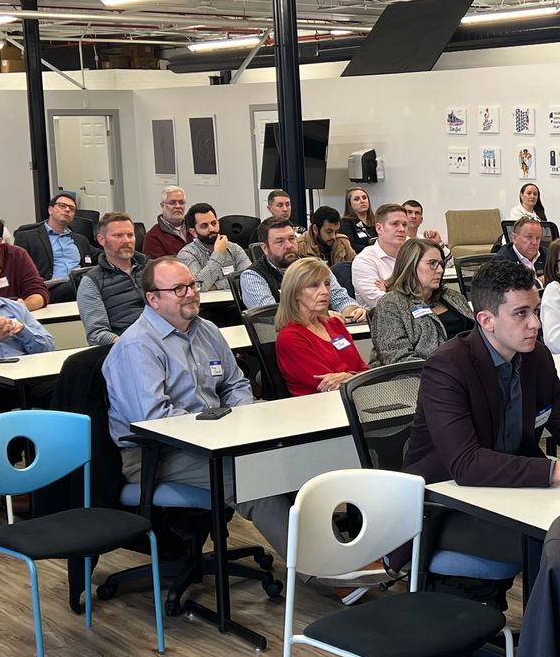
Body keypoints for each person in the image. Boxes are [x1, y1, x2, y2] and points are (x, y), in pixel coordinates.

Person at [104, 258, 290, 555]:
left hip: (218, 438)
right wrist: (219, 431)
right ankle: (331, 575)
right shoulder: (137, 346)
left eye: (192, 285)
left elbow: (235, 383)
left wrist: (239, 419)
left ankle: (345, 556)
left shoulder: (206, 330)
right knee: (254, 479)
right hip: (156, 454)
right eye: (179, 289)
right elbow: (154, 421)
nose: (191, 293)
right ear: (153, 299)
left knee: (291, 460)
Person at [403, 258, 560, 491]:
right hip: (447, 495)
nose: (536, 323)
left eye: (535, 311)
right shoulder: (447, 367)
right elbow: (466, 463)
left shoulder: (536, 355)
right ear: (486, 320)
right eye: (521, 313)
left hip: (517, 486)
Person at [272, 257, 370, 396]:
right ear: (295, 292)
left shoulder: (335, 324)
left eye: (327, 284)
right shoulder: (290, 337)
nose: (324, 291)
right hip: (319, 407)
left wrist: (348, 377)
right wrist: (353, 376)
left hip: (357, 397)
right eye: (314, 285)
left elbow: (364, 369)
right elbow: (325, 384)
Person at [369, 238, 473, 365]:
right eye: (432, 263)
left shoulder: (453, 296)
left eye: (441, 264)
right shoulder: (391, 303)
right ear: (410, 265)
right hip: (423, 377)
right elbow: (397, 358)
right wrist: (448, 371)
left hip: (470, 369)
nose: (440, 270)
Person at [238, 218, 364, 319]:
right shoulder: (253, 276)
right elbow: (270, 315)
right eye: (280, 241)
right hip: (282, 342)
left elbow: (339, 298)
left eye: (292, 239)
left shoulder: (314, 265)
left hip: (323, 333)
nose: (288, 246)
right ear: (264, 248)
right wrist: (320, 316)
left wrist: (353, 311)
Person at [76, 212, 145, 345]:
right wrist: (128, 343)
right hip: (126, 346)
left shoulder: (152, 269)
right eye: (118, 235)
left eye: (130, 235)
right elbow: (97, 334)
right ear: (101, 239)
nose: (127, 240)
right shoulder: (91, 282)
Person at [350, 203, 411, 307]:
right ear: (379, 228)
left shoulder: (412, 253)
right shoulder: (364, 260)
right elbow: (382, 303)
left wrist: (389, 291)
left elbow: (427, 292)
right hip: (382, 320)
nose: (402, 229)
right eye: (395, 224)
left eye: (404, 224)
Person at [176, 203, 244, 295]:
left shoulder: (234, 248)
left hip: (236, 303)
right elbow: (199, 285)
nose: (211, 229)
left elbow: (249, 279)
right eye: (204, 226)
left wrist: (216, 285)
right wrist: (218, 253)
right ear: (193, 232)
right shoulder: (187, 254)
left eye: (213, 223)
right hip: (206, 307)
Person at [143, 186, 191, 259]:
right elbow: (158, 267)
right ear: (162, 206)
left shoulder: (194, 228)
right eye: (172, 203)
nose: (178, 206)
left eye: (181, 203)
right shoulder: (153, 237)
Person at [496, 214, 548, 279]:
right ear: (515, 238)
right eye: (529, 237)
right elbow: (512, 288)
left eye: (538, 238)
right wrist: (539, 282)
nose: (534, 242)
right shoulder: (502, 261)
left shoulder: (547, 255)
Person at [341, 187, 377, 253]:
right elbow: (351, 246)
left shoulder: (376, 220)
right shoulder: (345, 223)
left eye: (364, 198)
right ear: (350, 204)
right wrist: (375, 249)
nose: (362, 201)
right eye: (357, 199)